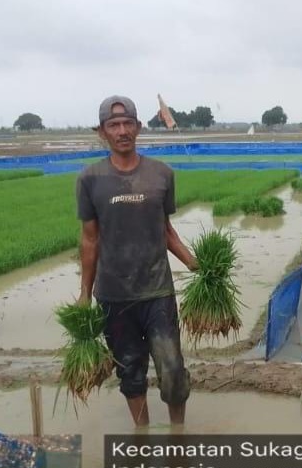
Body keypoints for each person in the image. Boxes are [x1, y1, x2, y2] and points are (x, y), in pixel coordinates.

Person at [76, 95, 198, 427]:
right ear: (102, 132)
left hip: (157, 292)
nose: (122, 130)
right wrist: (85, 294)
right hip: (114, 295)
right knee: (130, 371)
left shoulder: (161, 174)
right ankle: (141, 434)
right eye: (113, 125)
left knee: (172, 369)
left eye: (128, 123)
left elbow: (166, 231)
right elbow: (90, 239)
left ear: (139, 128)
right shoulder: (90, 180)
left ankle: (177, 434)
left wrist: (197, 266)